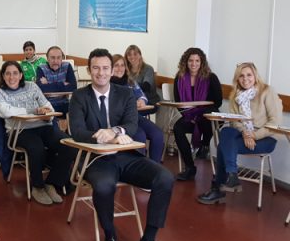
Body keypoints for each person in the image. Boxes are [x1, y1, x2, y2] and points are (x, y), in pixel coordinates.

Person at [70, 48, 174, 241]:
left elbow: (131, 123)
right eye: (96, 68)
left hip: (126, 156)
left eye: (105, 68)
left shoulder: (125, 93)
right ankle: (110, 236)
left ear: (112, 70)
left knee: (165, 178)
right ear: (89, 70)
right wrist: (106, 137)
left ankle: (148, 240)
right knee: (104, 186)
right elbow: (78, 131)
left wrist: (115, 131)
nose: (101, 73)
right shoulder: (79, 96)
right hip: (96, 159)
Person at [0, 61, 76, 205]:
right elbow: (5, 111)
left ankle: (52, 183)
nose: (11, 77)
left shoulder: (32, 86)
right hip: (19, 131)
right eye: (7, 73)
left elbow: (46, 105)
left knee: (69, 144)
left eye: (15, 73)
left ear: (20, 75)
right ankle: (37, 186)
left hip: (43, 126)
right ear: (3, 76)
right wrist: (34, 111)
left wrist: (46, 111)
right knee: (36, 147)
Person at [197, 63, 281, 204]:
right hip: (245, 135)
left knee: (223, 146)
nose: (245, 78)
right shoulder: (235, 95)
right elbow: (235, 121)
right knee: (227, 131)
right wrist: (246, 133)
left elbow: (274, 123)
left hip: (266, 138)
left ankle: (219, 188)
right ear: (237, 78)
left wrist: (254, 135)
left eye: (249, 75)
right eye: (241, 75)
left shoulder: (267, 91)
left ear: (255, 76)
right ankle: (232, 175)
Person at [172, 47, 222, 181]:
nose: (194, 64)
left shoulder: (211, 78)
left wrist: (198, 116)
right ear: (185, 62)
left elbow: (217, 102)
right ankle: (189, 167)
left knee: (207, 116)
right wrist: (190, 117)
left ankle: (204, 145)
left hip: (208, 117)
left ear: (202, 62)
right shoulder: (179, 78)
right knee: (178, 128)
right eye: (190, 60)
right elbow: (179, 103)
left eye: (197, 61)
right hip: (188, 116)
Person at [111, 54, 164, 163]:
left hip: (135, 117)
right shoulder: (107, 83)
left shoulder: (130, 81)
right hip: (118, 121)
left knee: (158, 134)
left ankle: (155, 168)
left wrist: (141, 101)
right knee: (140, 136)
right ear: (110, 67)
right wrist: (130, 104)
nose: (120, 68)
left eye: (122, 65)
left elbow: (142, 95)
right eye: (116, 65)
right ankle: (139, 170)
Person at [36, 46, 77, 117]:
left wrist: (48, 84)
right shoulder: (41, 68)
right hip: (47, 104)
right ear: (47, 58)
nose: (55, 61)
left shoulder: (67, 66)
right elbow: (41, 89)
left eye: (58, 57)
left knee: (77, 109)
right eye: (52, 58)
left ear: (62, 58)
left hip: (64, 103)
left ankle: (65, 127)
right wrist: (63, 84)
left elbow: (73, 87)